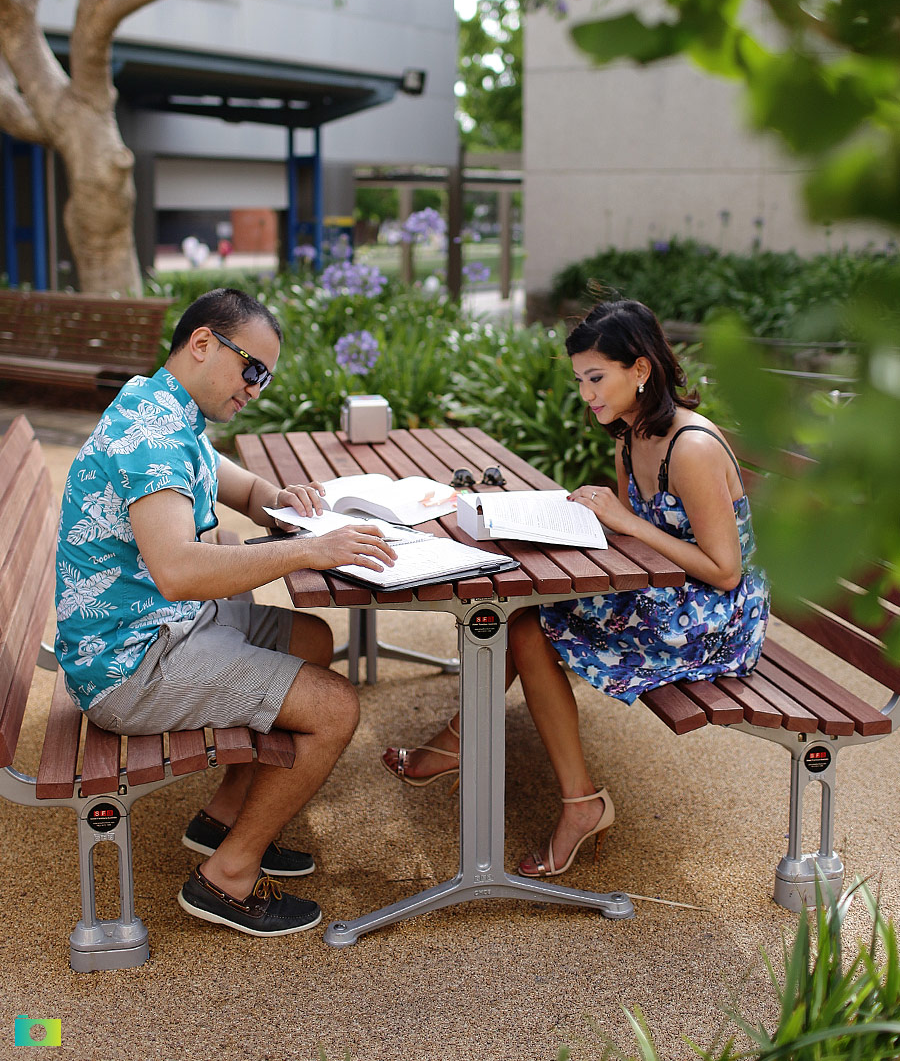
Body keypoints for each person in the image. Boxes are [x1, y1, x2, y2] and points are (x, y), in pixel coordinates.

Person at [382, 297, 769, 878]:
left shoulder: (690, 448)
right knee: (518, 615)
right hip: (667, 590)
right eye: (580, 380)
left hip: (713, 617)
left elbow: (724, 570)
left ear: (640, 370)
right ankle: (489, 755)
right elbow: (635, 537)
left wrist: (622, 520)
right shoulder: (628, 435)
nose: (587, 394)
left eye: (596, 378)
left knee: (526, 624)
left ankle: (571, 799)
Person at [56, 287, 397, 937]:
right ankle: (227, 878)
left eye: (266, 376)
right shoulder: (150, 434)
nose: (257, 388)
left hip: (156, 632)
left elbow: (230, 481)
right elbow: (180, 569)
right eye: (253, 370)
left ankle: (222, 820)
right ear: (204, 343)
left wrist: (281, 502)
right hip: (132, 666)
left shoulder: (162, 407)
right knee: (335, 707)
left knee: (310, 639)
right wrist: (308, 550)